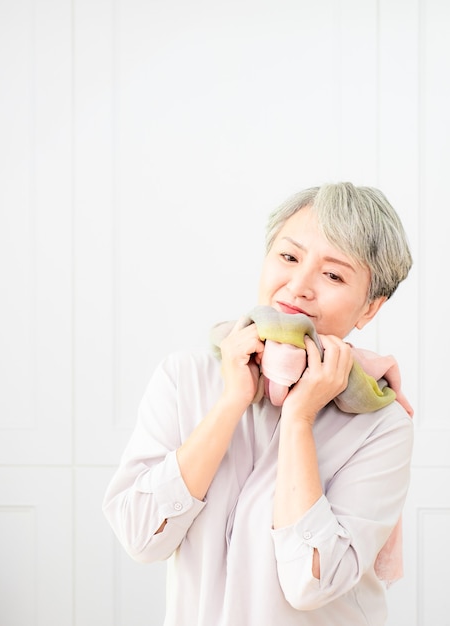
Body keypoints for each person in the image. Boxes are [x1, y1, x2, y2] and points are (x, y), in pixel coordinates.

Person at [103, 182, 414, 625]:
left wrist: (299, 419)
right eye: (289, 257)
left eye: (334, 275)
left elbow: (311, 585)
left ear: (370, 308)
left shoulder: (382, 425)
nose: (299, 286)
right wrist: (232, 400)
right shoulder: (185, 378)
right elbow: (140, 536)